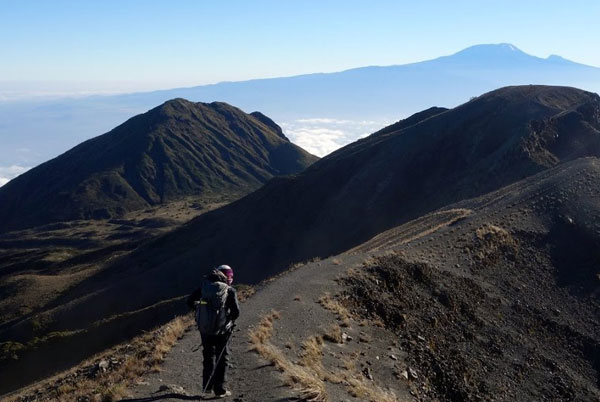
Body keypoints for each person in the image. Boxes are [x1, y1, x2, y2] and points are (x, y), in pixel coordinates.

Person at [187, 265, 240, 398]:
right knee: (222, 357)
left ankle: (207, 387)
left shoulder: (205, 288)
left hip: (205, 330)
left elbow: (189, 301)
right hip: (222, 330)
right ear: (228, 277)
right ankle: (220, 390)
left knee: (208, 356)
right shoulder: (230, 291)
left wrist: (201, 311)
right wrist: (228, 319)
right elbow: (236, 313)